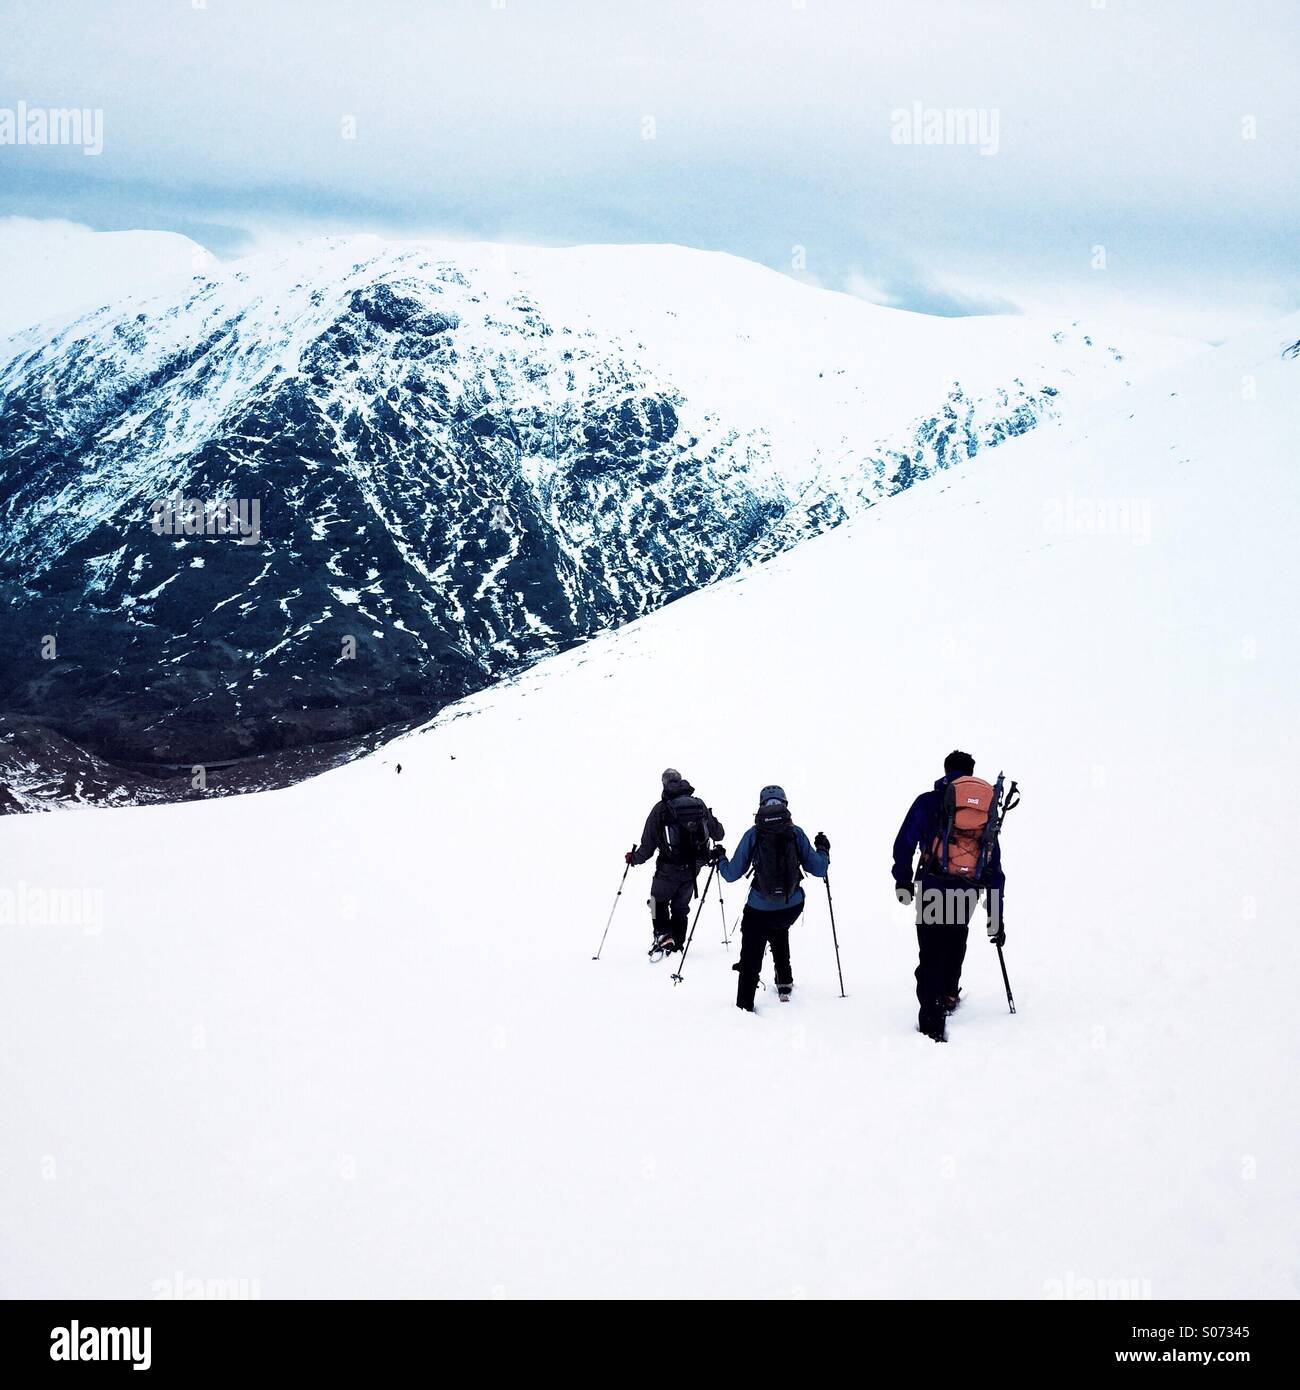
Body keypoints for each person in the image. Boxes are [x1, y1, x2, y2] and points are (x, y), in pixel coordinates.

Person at [892, 750, 1006, 1042]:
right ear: (971, 771)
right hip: (966, 889)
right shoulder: (985, 812)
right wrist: (996, 917)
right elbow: (993, 866)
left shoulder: (929, 801)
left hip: (932, 887)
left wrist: (902, 880)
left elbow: (904, 842)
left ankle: (931, 1019)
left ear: (946, 770)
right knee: (955, 941)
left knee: (930, 951)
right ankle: (949, 995)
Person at [715, 785, 829, 1011]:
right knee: (778, 927)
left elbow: (731, 874)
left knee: (752, 950)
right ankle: (784, 981)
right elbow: (819, 868)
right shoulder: (795, 832)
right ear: (785, 804)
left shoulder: (754, 833)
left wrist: (720, 859)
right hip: (792, 906)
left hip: (759, 908)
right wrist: (823, 849)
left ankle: (744, 1005)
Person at [626, 769, 724, 955]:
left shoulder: (661, 809)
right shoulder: (699, 804)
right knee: (680, 908)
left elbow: (648, 845)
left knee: (656, 901)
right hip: (694, 868)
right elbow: (719, 833)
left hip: (668, 868)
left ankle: (663, 936)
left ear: (664, 784)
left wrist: (634, 859)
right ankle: (678, 944)